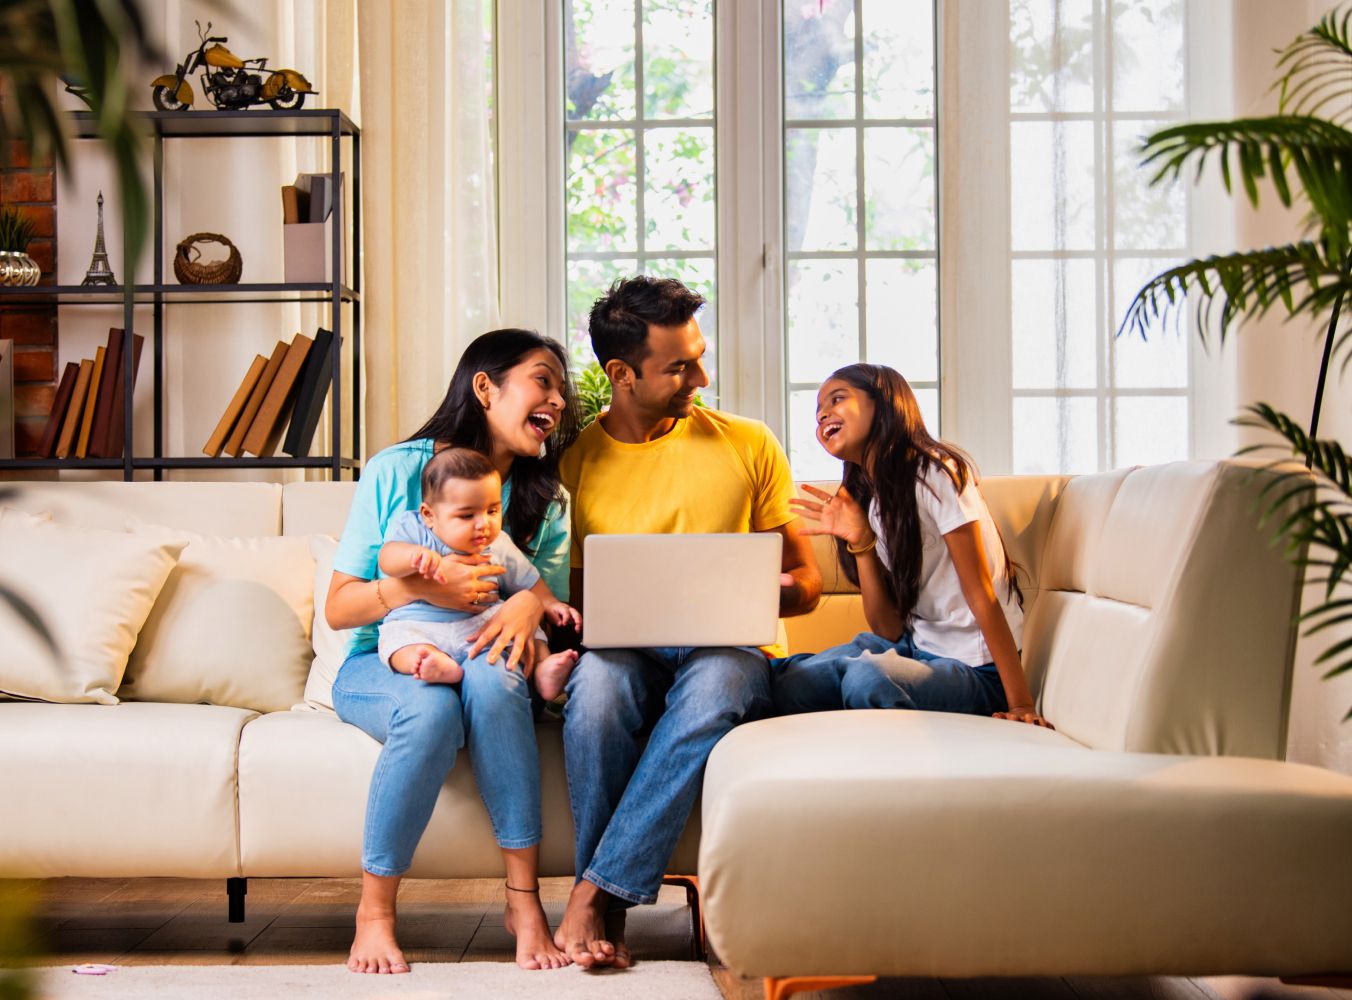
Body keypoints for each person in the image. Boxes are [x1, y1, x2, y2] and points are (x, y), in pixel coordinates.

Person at [553, 276, 823, 969]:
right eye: (679, 366)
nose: (701, 377)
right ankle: (606, 903)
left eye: (698, 357)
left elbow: (809, 585)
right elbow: (582, 606)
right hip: (628, 650)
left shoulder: (748, 443)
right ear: (621, 374)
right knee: (599, 694)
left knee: (712, 686)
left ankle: (595, 894)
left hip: (730, 648)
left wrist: (744, 589)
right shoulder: (573, 466)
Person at [325, 329, 580, 974]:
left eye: (562, 385)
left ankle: (524, 903)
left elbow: (545, 596)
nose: (560, 397)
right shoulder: (398, 471)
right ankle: (376, 913)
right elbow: (338, 608)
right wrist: (420, 587)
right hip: (383, 660)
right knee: (431, 711)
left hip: (485, 654)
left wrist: (528, 604)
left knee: (495, 684)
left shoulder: (545, 498)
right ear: (486, 387)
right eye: (543, 379)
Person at [772, 363, 1053, 729]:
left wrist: (1019, 702)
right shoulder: (872, 502)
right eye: (818, 411)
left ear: (883, 403)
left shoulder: (935, 471)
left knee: (867, 678)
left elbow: (982, 594)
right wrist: (862, 542)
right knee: (786, 683)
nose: (823, 413)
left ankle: (850, 680)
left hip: (978, 669)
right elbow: (886, 631)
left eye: (837, 399)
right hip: (914, 650)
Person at [377, 446, 581, 697]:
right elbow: (387, 558)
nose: (484, 524)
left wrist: (550, 603)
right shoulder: (415, 529)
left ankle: (543, 667)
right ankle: (432, 663)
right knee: (397, 640)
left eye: (492, 511)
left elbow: (529, 581)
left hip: (480, 626)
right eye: (467, 515)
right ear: (429, 515)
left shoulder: (497, 544)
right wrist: (412, 557)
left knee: (527, 630)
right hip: (421, 622)